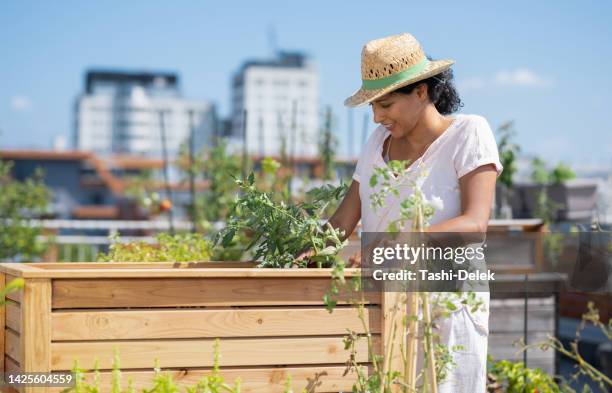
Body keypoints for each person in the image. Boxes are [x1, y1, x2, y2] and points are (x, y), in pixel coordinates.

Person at [331, 33, 503, 392]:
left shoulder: (469, 133)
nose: (377, 116)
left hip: (447, 303)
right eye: (373, 107)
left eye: (387, 104)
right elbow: (343, 220)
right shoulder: (377, 144)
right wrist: (304, 248)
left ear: (421, 92)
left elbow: (475, 224)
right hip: (385, 301)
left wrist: (393, 246)